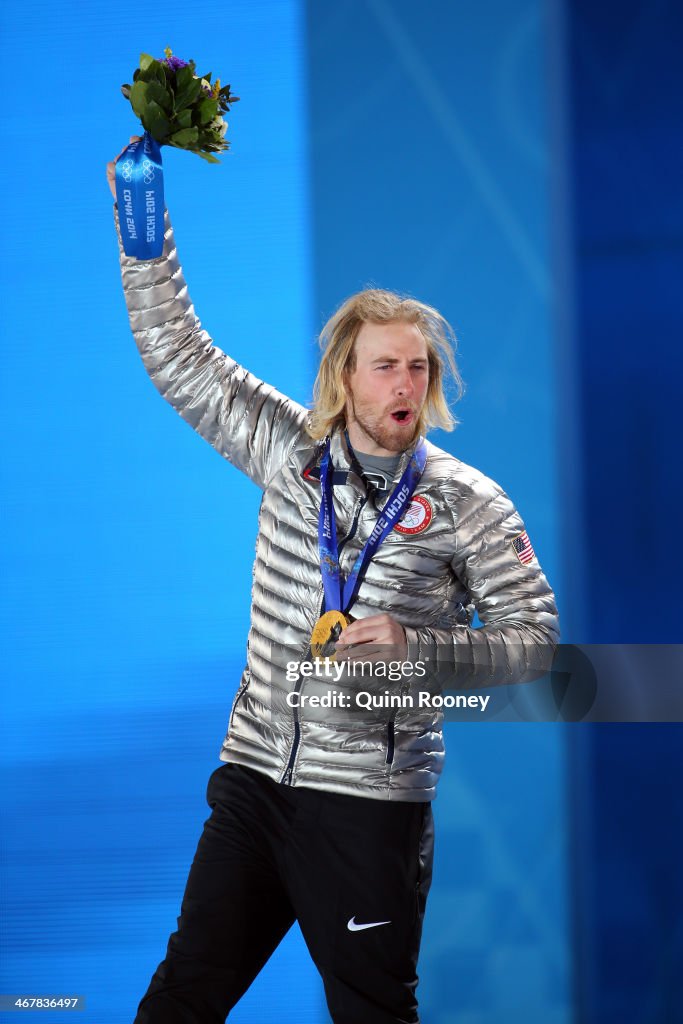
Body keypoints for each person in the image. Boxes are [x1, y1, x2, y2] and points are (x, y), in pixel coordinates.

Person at [107, 145, 559, 1024]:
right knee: (181, 997)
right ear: (344, 379)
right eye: (385, 365)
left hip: (367, 806)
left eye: (418, 367)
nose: (405, 382)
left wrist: (416, 648)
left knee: (370, 1012)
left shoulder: (467, 502)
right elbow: (182, 360)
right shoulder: (290, 456)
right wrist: (142, 230)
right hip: (254, 780)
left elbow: (535, 646)